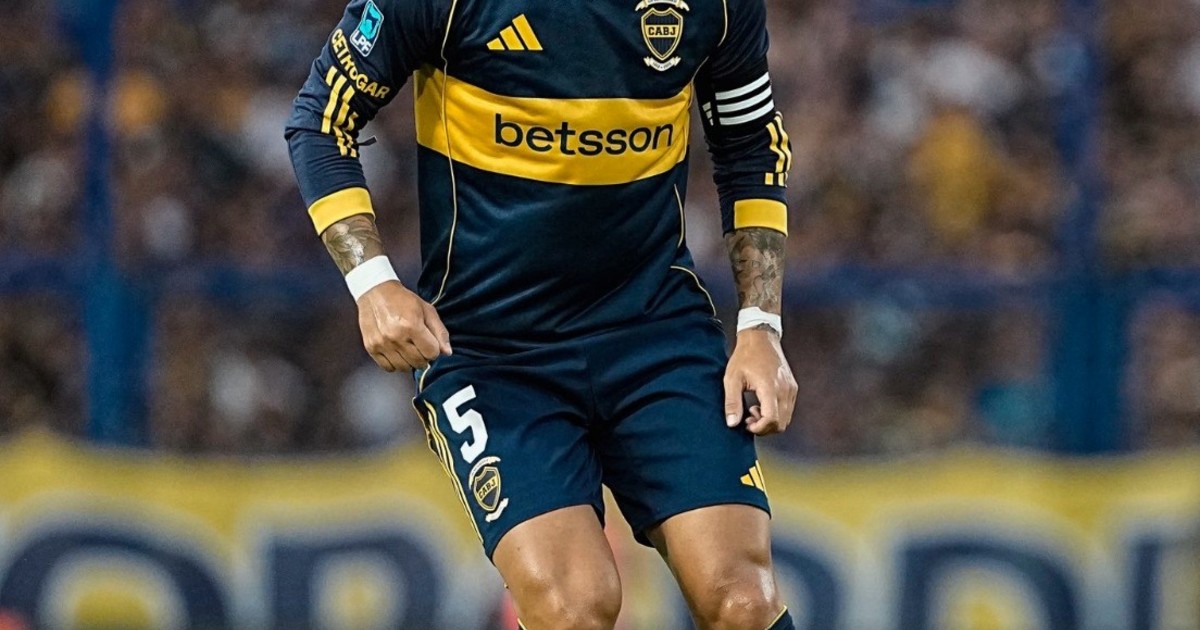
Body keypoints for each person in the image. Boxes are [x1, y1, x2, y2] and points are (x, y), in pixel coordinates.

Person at [286, 0, 797, 626]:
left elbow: (750, 140)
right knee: (574, 608)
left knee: (743, 601)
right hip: (493, 352)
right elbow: (321, 119)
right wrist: (373, 284)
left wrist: (761, 327)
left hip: (653, 333)